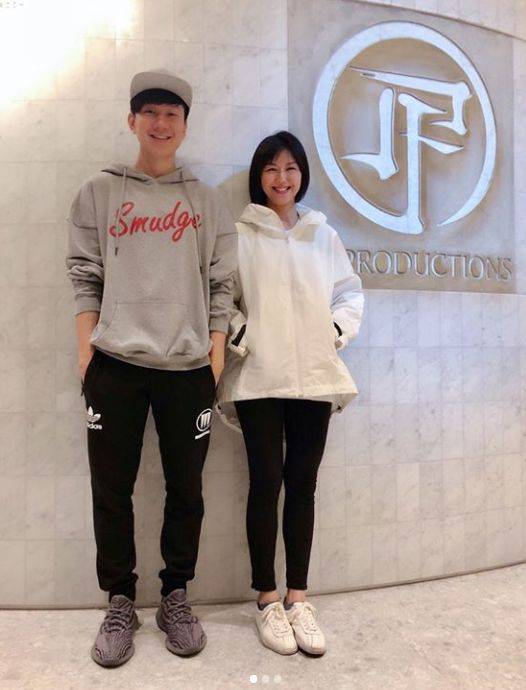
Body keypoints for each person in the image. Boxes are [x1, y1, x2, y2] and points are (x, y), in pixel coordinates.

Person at [66, 68, 237, 667]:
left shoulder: (206, 201)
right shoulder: (99, 192)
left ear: (185, 125)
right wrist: (87, 355)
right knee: (111, 490)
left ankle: (175, 598)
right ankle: (119, 602)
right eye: (150, 113)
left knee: (186, 491)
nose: (161, 124)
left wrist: (214, 358)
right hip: (114, 365)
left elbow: (221, 285)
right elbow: (84, 276)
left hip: (188, 368)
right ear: (132, 120)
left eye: (172, 114)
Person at [217, 131, 364, 656]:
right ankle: (266, 599)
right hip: (260, 378)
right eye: (271, 169)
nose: (282, 178)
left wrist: (334, 331)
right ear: (259, 176)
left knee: (303, 485)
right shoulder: (240, 234)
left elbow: (349, 292)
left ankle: (298, 598)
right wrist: (243, 335)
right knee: (266, 483)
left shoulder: (322, 234)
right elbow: (222, 296)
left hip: (315, 378)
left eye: (291, 168)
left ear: (302, 174)